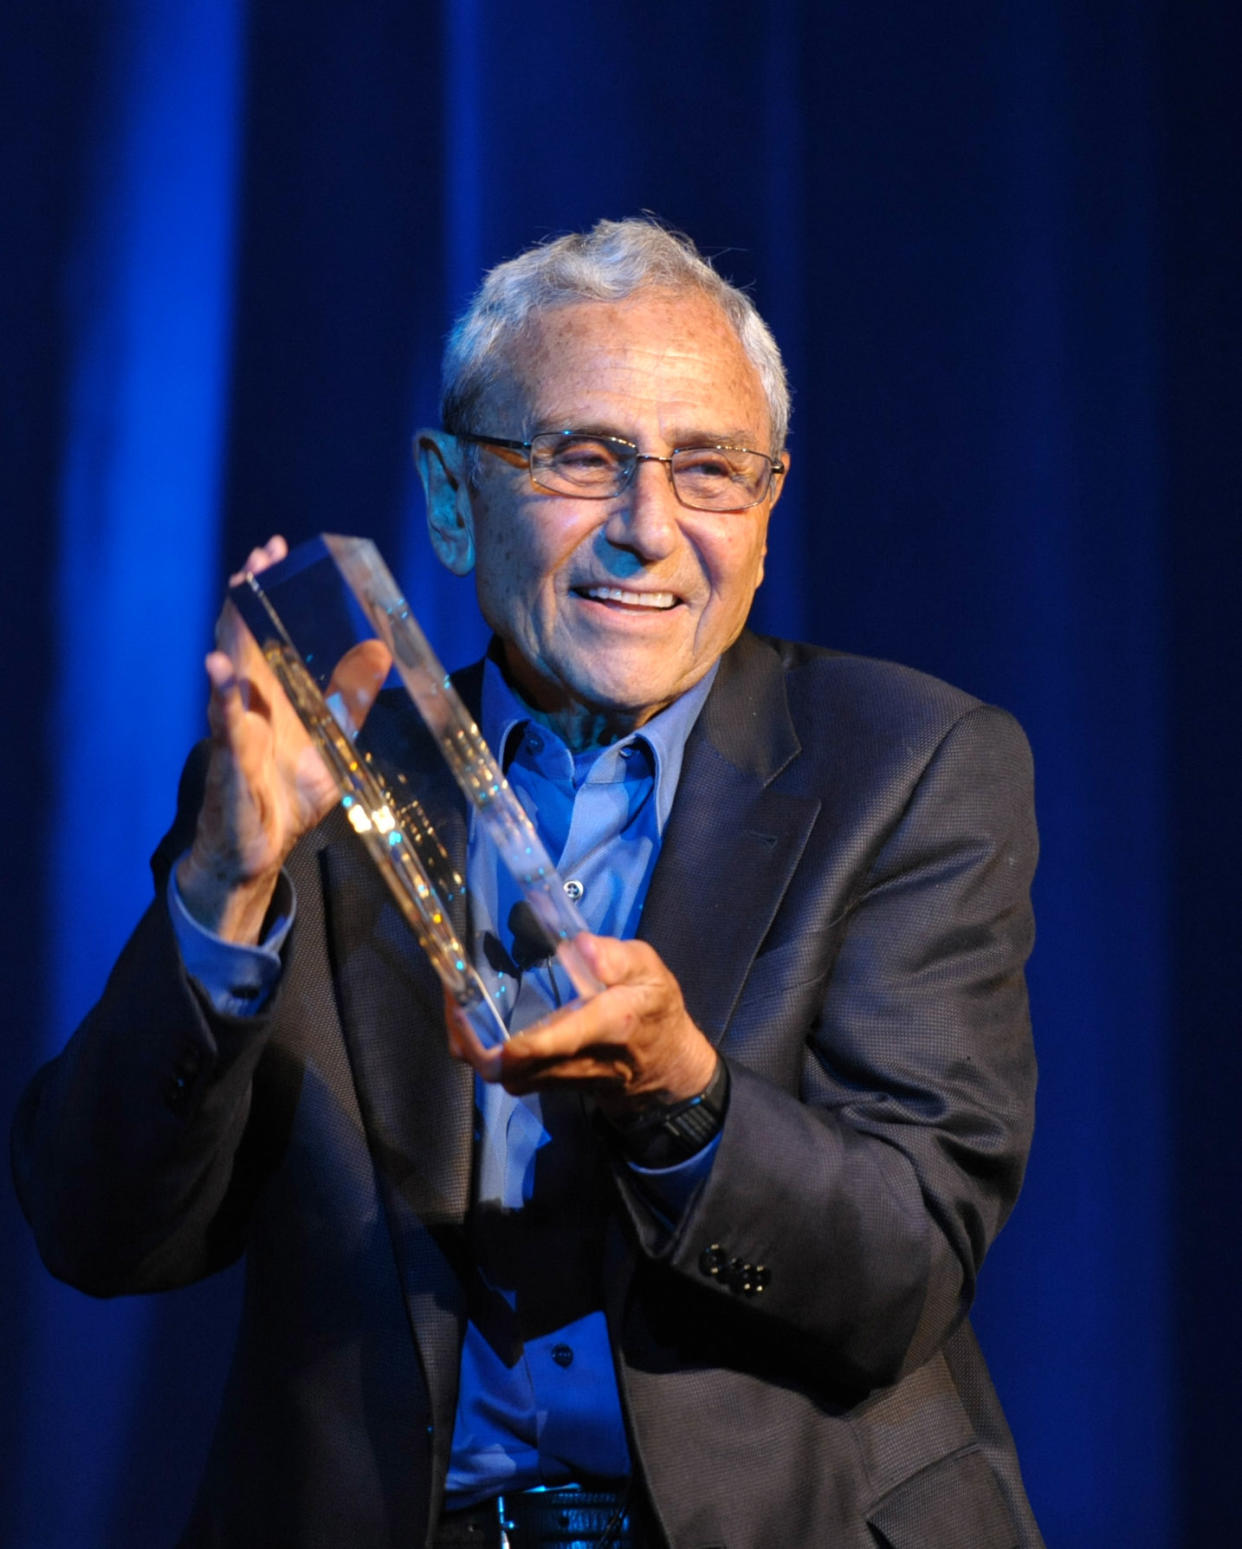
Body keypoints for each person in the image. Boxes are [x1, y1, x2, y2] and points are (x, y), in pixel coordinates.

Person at [13, 218, 1043, 1548]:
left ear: (766, 510)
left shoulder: (909, 763)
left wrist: (685, 1098)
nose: (648, 530)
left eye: (709, 470)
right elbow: (96, 1232)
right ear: (451, 494)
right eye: (583, 456)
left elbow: (902, 1270)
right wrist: (224, 889)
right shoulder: (313, 771)